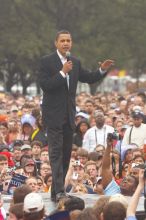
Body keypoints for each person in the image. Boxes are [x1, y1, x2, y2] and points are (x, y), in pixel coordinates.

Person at [39, 29, 114, 202]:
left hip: (69, 116)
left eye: (68, 40)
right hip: (53, 116)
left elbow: (88, 77)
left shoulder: (75, 62)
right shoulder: (46, 61)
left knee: (66, 154)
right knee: (56, 154)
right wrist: (62, 72)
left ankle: (57, 191)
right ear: (56, 43)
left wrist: (101, 70)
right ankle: (59, 191)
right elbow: (45, 85)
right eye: (63, 40)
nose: (66, 43)